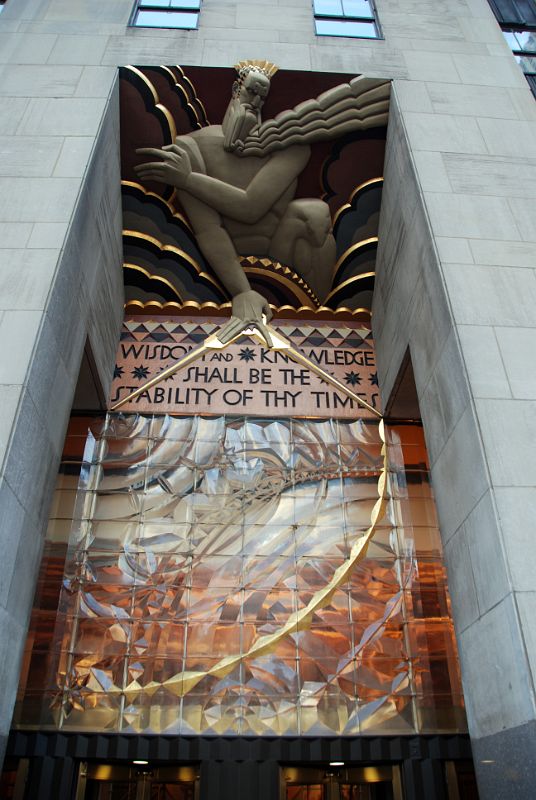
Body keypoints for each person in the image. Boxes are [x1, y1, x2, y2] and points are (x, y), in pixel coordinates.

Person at [134, 63, 336, 344]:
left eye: (262, 97)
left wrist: (188, 179)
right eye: (251, 92)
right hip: (219, 264)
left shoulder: (290, 146)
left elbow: (250, 207)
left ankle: (315, 326)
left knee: (314, 213)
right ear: (235, 89)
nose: (255, 103)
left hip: (284, 253)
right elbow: (209, 229)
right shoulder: (191, 147)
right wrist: (242, 291)